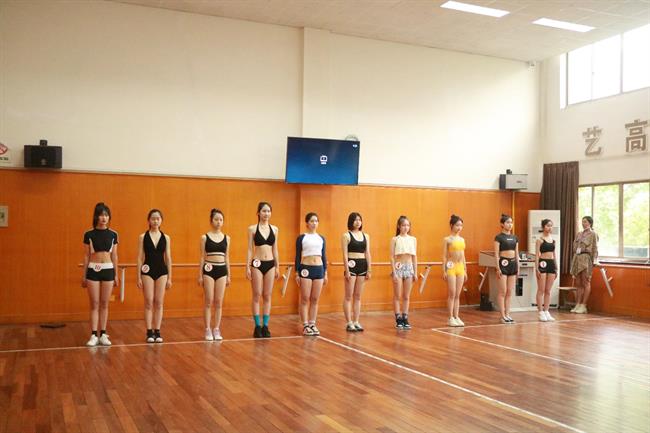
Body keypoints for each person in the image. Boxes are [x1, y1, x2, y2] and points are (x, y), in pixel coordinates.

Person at [82, 202, 119, 347]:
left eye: (106, 215)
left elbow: (115, 255)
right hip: (93, 270)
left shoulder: (113, 234)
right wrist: (84, 275)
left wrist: (116, 274)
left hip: (108, 269)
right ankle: (93, 335)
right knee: (94, 304)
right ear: (96, 217)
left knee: (104, 303)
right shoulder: (88, 234)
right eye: (101, 215)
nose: (104, 218)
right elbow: (86, 256)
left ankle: (103, 333)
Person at [137, 209, 172, 343]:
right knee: (148, 301)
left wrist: (170, 277)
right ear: (149, 220)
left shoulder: (166, 237)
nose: (155, 221)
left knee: (159, 302)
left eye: (158, 219)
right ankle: (149, 332)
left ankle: (157, 330)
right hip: (147, 270)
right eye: (153, 218)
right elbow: (140, 258)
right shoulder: (142, 237)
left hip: (162, 271)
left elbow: (168, 258)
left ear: (161, 221)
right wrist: (138, 276)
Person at [246, 202, 279, 338]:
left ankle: (265, 325)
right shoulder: (252, 229)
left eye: (268, 211)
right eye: (264, 211)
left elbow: (275, 249)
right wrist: (247, 266)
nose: (266, 213)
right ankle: (257, 326)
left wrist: (277, 266)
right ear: (258, 213)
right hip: (257, 263)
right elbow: (250, 249)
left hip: (270, 263)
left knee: (267, 295)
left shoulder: (275, 229)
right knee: (257, 294)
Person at [199, 209, 231, 341]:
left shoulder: (227, 238)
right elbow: (202, 257)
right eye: (216, 219)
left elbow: (227, 257)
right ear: (211, 221)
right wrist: (200, 275)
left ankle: (216, 328)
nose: (219, 222)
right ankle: (207, 329)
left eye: (221, 220)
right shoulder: (204, 237)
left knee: (219, 301)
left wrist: (229, 275)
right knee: (209, 300)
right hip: (209, 269)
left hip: (222, 270)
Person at [295, 212, 327, 336]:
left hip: (319, 269)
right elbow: (298, 256)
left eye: (316, 221)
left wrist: (325, 272)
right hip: (306, 269)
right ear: (307, 223)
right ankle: (305, 325)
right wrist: (297, 273)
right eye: (312, 221)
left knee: (315, 299)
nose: (314, 223)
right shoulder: (302, 238)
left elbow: (323, 256)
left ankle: (312, 323)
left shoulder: (321, 238)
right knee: (305, 298)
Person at [341, 212, 372, 332]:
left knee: (358, 296)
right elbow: (344, 254)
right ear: (351, 221)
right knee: (349, 296)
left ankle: (356, 321)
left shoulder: (366, 236)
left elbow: (367, 253)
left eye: (359, 220)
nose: (358, 222)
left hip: (362, 265)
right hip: (351, 266)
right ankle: (349, 322)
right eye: (355, 220)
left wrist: (369, 269)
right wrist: (347, 270)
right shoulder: (346, 235)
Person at [390, 216, 418, 329]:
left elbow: (414, 257)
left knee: (406, 295)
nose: (406, 227)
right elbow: (392, 257)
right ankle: (398, 317)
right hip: (398, 267)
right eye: (403, 225)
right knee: (397, 295)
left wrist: (415, 272)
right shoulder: (395, 239)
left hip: (409, 267)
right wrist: (394, 272)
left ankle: (405, 317)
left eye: (407, 225)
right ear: (399, 226)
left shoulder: (413, 239)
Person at [570, 216, 599, 314]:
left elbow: (595, 248)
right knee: (578, 283)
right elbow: (574, 246)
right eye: (582, 222)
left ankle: (583, 305)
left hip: (586, 258)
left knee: (585, 281)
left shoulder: (593, 234)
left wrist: (594, 260)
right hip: (577, 258)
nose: (583, 223)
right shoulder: (579, 233)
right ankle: (578, 304)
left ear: (590, 223)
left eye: (585, 222)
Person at [442, 214, 467, 327]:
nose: (459, 227)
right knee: (452, 293)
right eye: (457, 225)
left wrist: (465, 269)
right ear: (451, 225)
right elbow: (444, 256)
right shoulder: (447, 239)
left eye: (461, 225)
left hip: (460, 267)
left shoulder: (462, 239)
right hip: (451, 267)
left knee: (457, 294)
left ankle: (456, 316)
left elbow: (463, 255)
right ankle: (450, 317)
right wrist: (444, 270)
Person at [494, 214, 518, 324]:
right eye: (508, 222)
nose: (510, 224)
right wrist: (498, 268)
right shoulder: (498, 237)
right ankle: (502, 315)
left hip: (513, 264)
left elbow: (516, 253)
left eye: (511, 222)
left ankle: (508, 314)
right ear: (502, 224)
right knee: (502, 291)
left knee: (509, 291)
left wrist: (518, 267)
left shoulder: (515, 237)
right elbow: (496, 254)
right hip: (503, 264)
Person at [535, 219, 558, 322]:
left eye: (551, 226)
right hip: (542, 264)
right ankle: (540, 312)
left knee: (548, 290)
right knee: (541, 289)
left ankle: (547, 311)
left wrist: (556, 267)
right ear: (543, 227)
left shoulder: (553, 241)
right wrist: (537, 268)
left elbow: (554, 255)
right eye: (548, 225)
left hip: (551, 264)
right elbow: (537, 255)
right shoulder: (539, 240)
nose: (550, 228)